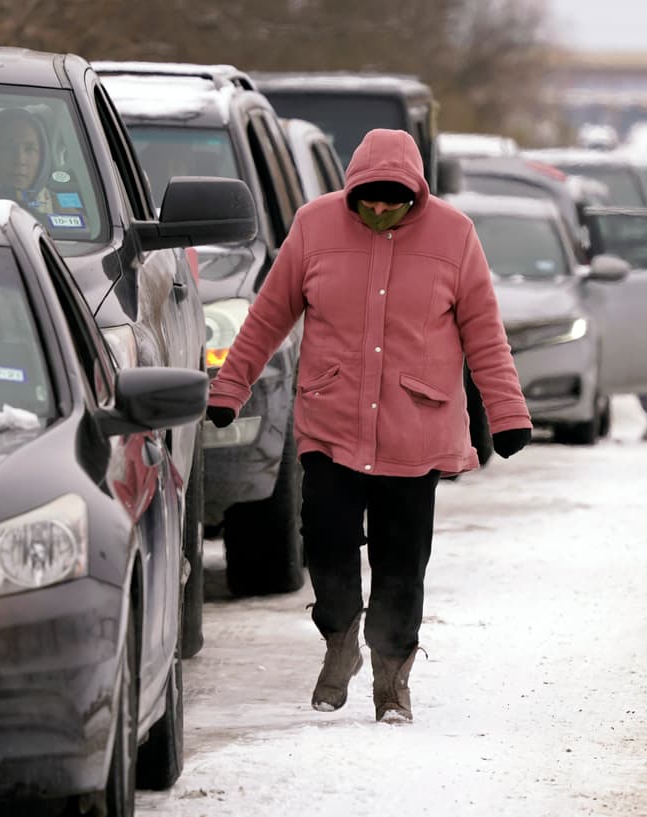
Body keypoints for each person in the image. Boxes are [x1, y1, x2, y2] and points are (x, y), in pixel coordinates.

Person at [206, 129, 532, 723]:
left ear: (416, 194)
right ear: (352, 190)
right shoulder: (314, 227)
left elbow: (485, 332)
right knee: (327, 546)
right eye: (369, 199)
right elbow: (266, 318)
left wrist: (507, 414)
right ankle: (339, 645)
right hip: (331, 424)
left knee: (401, 562)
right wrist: (231, 387)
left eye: (394, 200)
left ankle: (391, 680)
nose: (380, 210)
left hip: (416, 431)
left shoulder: (454, 236)